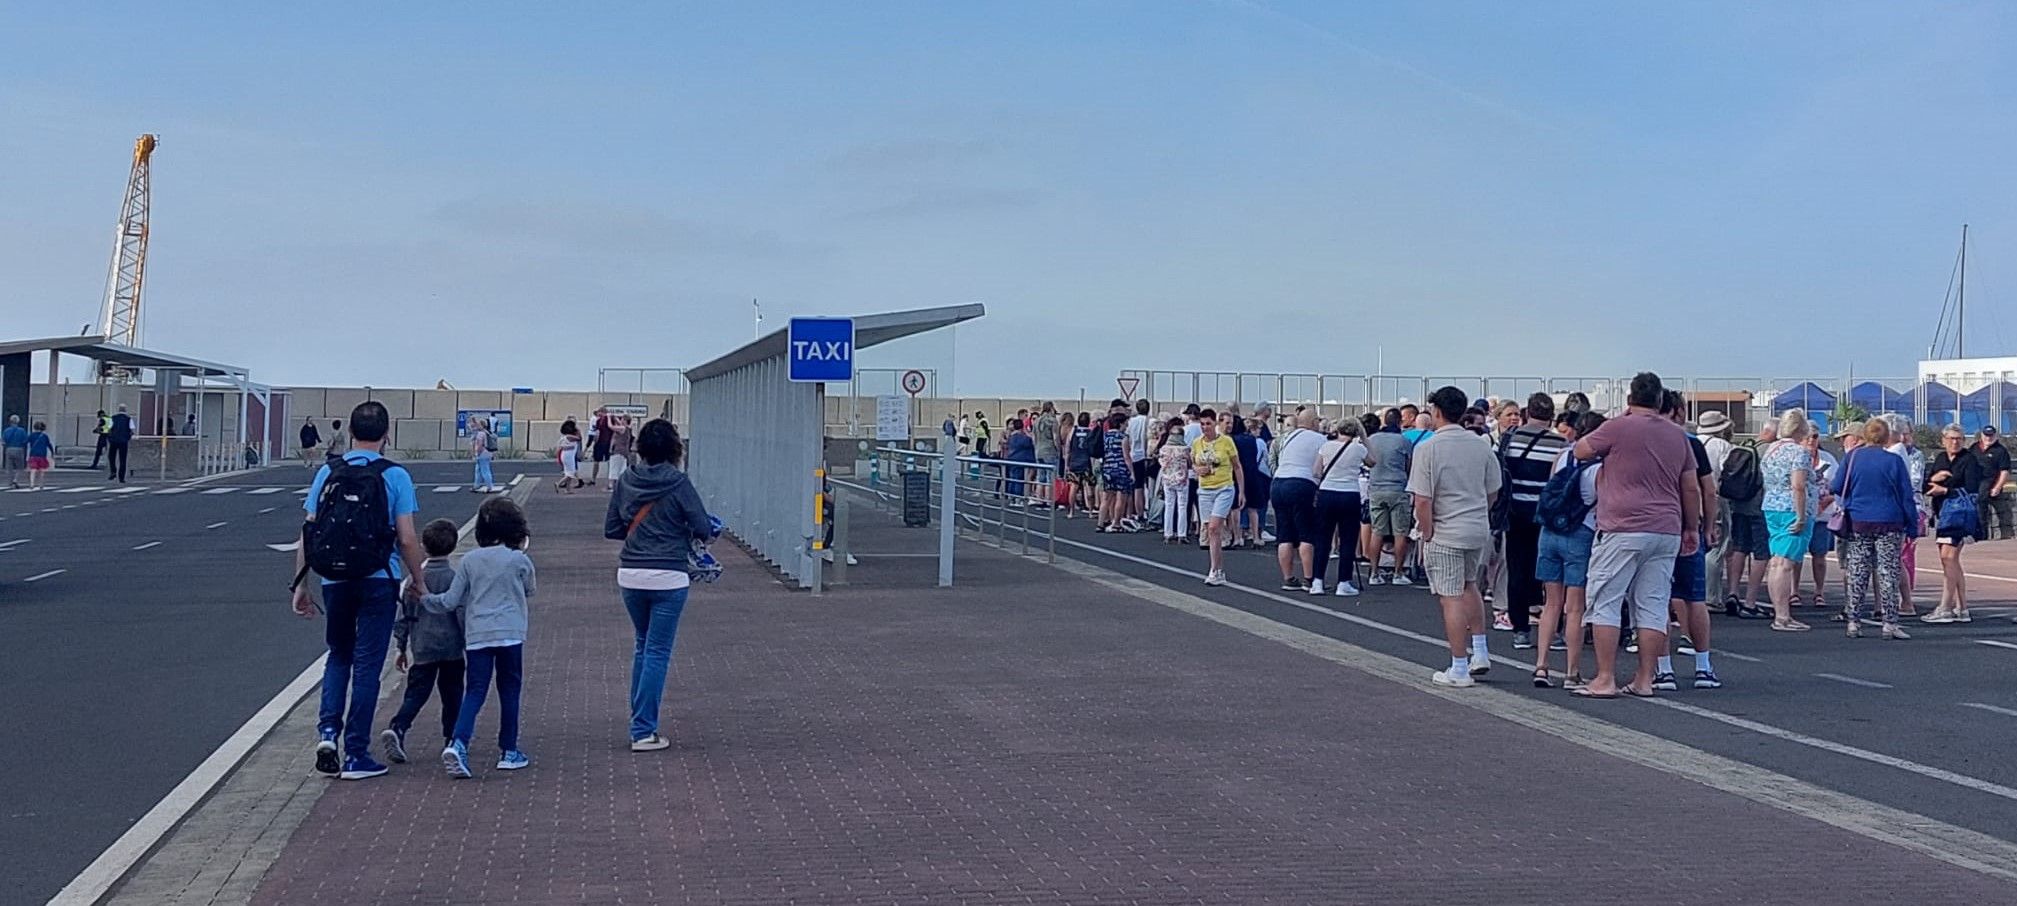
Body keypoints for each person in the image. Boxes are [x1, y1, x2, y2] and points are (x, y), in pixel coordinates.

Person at [291, 401, 426, 781]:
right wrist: (418, 580)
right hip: (378, 577)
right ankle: (356, 754)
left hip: (334, 580)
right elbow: (407, 538)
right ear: (387, 435)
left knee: (338, 655)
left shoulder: (328, 472)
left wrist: (300, 583)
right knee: (368, 665)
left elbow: (308, 531)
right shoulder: (395, 475)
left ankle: (328, 733)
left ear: (350, 432)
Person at [1571, 372, 1701, 699]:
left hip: (1621, 527)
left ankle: (1604, 678)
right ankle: (1645, 678)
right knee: (1653, 605)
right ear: (1660, 401)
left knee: (1605, 601)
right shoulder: (1678, 436)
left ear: (1630, 398)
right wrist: (1691, 527)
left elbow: (1580, 451)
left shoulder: (1618, 427)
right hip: (1666, 527)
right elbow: (1690, 486)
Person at [606, 418, 715, 752]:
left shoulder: (627, 479)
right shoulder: (678, 482)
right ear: (674, 449)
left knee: (643, 645)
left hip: (631, 573)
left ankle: (640, 724)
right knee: (657, 650)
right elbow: (702, 526)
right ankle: (642, 730)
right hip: (668, 574)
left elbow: (612, 528)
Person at [417, 496, 536, 777]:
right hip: (510, 632)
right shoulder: (519, 560)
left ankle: (458, 743)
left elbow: (449, 601)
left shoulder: (470, 561)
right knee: (510, 689)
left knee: (475, 690)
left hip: (478, 634)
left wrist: (424, 597)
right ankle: (509, 750)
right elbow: (530, 590)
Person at [1411, 386, 1502, 688]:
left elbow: (1422, 500)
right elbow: (1493, 490)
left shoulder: (1428, 448)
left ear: (1436, 411)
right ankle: (1480, 651)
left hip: (1446, 529)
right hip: (1476, 526)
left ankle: (1459, 666)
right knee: (1469, 585)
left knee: (1449, 597)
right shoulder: (1481, 444)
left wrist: (1427, 531)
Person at [380, 518, 467, 763]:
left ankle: (399, 726)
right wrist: (467, 639)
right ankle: (452, 738)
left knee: (417, 692)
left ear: (423, 546)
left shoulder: (415, 580)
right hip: (452, 647)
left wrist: (400, 646)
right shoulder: (456, 578)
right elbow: (461, 611)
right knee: (453, 694)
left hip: (422, 646)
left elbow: (405, 615)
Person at [1533, 411, 1603, 689]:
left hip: (1550, 531)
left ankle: (1541, 665)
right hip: (1581, 533)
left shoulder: (1563, 455)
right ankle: (1572, 671)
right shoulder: (1600, 466)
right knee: (1575, 608)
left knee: (1551, 604)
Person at [1654, 391, 1719, 691]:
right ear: (1678, 411)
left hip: (1653, 525)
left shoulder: (1646, 442)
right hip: (1686, 525)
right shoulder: (1691, 443)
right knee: (1694, 597)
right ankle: (1703, 665)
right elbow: (1706, 489)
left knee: (1656, 599)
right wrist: (1706, 524)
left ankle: (1663, 667)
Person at [1833, 420, 1916, 640]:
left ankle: (1853, 621)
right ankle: (1889, 623)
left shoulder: (1853, 458)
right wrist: (1913, 524)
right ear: (1887, 436)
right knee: (1888, 572)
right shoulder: (1894, 461)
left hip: (1859, 520)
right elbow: (1906, 494)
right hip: (1890, 520)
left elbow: (1837, 486)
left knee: (1858, 571)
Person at [1498, 393, 1567, 650]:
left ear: (1528, 413)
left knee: (1517, 567)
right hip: (1547, 515)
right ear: (1551, 417)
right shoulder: (1561, 443)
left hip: (1515, 512)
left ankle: (1520, 629)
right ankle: (1555, 629)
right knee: (1551, 573)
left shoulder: (1510, 439)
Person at [1759, 411, 1815, 632]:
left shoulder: (1771, 450)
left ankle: (1779, 612)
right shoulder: (1799, 452)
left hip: (1771, 505)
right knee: (1785, 563)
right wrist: (1801, 515)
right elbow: (1798, 485)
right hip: (1791, 508)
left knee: (1776, 561)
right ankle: (1782, 616)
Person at [1923, 425, 1984, 624]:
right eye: (1950, 438)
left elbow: (1972, 489)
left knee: (1948, 557)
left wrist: (1945, 491)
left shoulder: (1969, 460)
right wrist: (1934, 479)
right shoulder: (1941, 459)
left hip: (1959, 515)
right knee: (1950, 560)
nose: (1954, 442)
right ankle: (1963, 607)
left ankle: (1945, 606)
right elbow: (1926, 485)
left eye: (1958, 438)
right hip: (1943, 514)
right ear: (1943, 440)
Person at [1311, 417, 1370, 597]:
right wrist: (1364, 438)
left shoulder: (1326, 446)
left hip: (1327, 493)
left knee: (1323, 538)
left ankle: (1317, 581)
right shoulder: (1359, 449)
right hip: (1349, 494)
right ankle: (1343, 582)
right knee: (1348, 539)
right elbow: (1373, 461)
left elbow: (1316, 471)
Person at [1269, 410, 1327, 591]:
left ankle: (1288, 578)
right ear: (1312, 422)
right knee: (1306, 533)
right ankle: (1309, 578)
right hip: (1302, 483)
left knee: (1284, 533)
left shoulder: (1287, 437)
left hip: (1278, 483)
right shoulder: (1319, 439)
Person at [1723, 422, 1773, 618]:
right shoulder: (1769, 451)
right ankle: (1750, 601)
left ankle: (1733, 592)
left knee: (1739, 548)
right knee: (1761, 554)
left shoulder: (1744, 445)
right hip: (1759, 506)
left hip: (1739, 504)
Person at [1190, 408, 1243, 586]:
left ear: (1215, 424)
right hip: (1204, 489)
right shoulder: (1197, 443)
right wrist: (1198, 470)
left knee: (1214, 527)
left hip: (1224, 488)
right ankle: (1218, 567)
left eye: (1209, 424)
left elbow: (1237, 466)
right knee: (1211, 531)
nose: (1205, 428)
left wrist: (1241, 490)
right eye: (1202, 424)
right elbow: (1193, 464)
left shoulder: (1226, 442)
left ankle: (1214, 569)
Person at [1364, 409, 1415, 587]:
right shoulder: (1404, 441)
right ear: (1400, 422)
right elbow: (1409, 467)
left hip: (1377, 489)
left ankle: (1374, 572)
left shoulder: (1372, 440)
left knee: (1377, 531)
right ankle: (1398, 572)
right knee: (1400, 533)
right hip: (1397, 488)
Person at [1882, 414, 1927, 615]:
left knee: (1900, 556)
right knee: (1896, 557)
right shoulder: (1893, 451)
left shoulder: (1899, 453)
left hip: (1907, 510)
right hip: (1900, 509)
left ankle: (1905, 599)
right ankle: (1900, 599)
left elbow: (1912, 483)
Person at [1696, 411, 1736, 605]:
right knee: (1716, 546)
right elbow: (1727, 473)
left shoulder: (1692, 442)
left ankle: (1695, 593)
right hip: (1715, 497)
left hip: (1691, 496)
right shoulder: (1722, 446)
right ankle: (1711, 596)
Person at [1799, 427, 1840, 611]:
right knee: (1796, 555)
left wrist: (1824, 503)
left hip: (1822, 515)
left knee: (1819, 554)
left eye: (1814, 436)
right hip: (1800, 512)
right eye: (1807, 436)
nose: (1810, 440)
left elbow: (1837, 485)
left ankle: (1819, 591)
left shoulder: (1828, 459)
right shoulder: (1797, 456)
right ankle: (1793, 591)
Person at [1228, 416, 1267, 548]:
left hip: (1237, 475)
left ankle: (1237, 538)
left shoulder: (1231, 440)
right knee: (1253, 508)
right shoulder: (1251, 439)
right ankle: (1256, 537)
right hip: (1253, 474)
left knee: (1236, 508)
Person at [1156, 417, 1193, 544]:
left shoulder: (1164, 449)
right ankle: (1181, 534)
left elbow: (1160, 462)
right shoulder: (1185, 449)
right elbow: (1190, 463)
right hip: (1182, 479)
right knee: (1182, 506)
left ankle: (1168, 533)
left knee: (1169, 505)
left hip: (1167, 479)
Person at [1098, 413, 1136, 532]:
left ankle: (1100, 523)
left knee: (1106, 498)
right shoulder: (1123, 437)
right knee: (1121, 497)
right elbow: (1126, 457)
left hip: (1107, 468)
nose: (1126, 426)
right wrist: (1132, 473)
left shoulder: (1105, 436)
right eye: (1125, 423)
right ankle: (1116, 523)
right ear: (1120, 424)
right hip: (1120, 469)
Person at [1974, 426, 2013, 540]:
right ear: (1982, 435)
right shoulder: (1974, 448)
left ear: (1995, 436)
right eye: (1986, 435)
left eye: (1991, 435)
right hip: (1976, 485)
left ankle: (2004, 537)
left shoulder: (2001, 451)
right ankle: (1979, 536)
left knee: (2004, 516)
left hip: (1991, 485)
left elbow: (2004, 471)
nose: (1988, 438)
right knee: (1978, 513)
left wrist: (1997, 487)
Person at [1126, 399, 1153, 524]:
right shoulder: (1152, 421)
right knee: (1151, 486)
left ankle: (1139, 513)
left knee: (1138, 486)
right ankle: (1151, 511)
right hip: (1149, 456)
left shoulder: (1131, 422)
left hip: (1134, 455)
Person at [1065, 412, 1095, 518]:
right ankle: (1091, 511)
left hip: (1074, 461)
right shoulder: (1091, 432)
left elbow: (1068, 448)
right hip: (1087, 463)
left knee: (1073, 487)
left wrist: (1067, 463)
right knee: (1089, 488)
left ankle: (1071, 511)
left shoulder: (1073, 431)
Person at [1003, 417, 1036, 505]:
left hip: (1012, 459)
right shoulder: (1024, 438)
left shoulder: (1011, 437)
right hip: (1021, 460)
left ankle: (1012, 497)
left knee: (1013, 478)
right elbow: (1032, 442)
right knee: (1019, 479)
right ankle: (1018, 498)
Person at [1034, 402, 1062, 504]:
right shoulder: (1052, 421)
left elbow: (1034, 437)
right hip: (1049, 450)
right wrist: (1058, 449)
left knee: (1040, 476)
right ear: (1051, 408)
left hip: (1038, 450)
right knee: (1051, 477)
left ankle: (1039, 499)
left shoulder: (1037, 421)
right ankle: (1049, 499)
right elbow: (1055, 437)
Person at [106, 405, 135, 482]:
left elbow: (109, 429)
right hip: (123, 441)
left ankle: (113, 471)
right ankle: (121, 477)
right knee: (123, 460)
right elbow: (132, 431)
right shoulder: (128, 419)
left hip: (114, 441)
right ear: (125, 410)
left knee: (111, 457)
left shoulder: (113, 418)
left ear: (118, 410)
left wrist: (110, 438)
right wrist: (128, 437)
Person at [470, 417, 498, 493]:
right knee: (478, 470)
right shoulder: (487, 432)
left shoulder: (480, 434)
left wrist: (477, 454)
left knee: (484, 470)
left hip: (482, 454)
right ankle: (476, 485)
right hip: (488, 453)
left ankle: (489, 487)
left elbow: (479, 445)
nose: (477, 426)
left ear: (481, 425)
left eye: (478, 424)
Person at [586, 407, 613, 486]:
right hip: (603, 443)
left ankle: (606, 480)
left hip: (605, 443)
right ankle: (595, 479)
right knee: (599, 461)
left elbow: (597, 432)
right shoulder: (599, 421)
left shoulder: (607, 420)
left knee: (603, 461)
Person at [556, 418, 583, 493]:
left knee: (569, 472)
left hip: (567, 455)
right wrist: (578, 430)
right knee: (571, 473)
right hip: (569, 456)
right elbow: (579, 438)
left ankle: (568, 489)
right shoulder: (569, 436)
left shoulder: (565, 436)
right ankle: (558, 484)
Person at [25, 421, 53, 491]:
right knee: (41, 470)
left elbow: (25, 442)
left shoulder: (31, 435)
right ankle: (41, 484)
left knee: (33, 470)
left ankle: (32, 484)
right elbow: (49, 445)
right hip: (42, 455)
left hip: (33, 455)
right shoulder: (45, 436)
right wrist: (52, 452)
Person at [609, 415, 634, 485]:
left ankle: (611, 485)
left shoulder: (622, 428)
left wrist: (608, 418)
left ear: (625, 421)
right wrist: (615, 418)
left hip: (618, 451)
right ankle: (620, 484)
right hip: (624, 452)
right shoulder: (628, 428)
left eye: (622, 419)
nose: (621, 420)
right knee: (621, 469)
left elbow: (610, 426)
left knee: (614, 468)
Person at [2, 416, 25, 490]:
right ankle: (16, 480)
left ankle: (10, 482)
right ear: (18, 422)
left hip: (9, 449)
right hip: (18, 449)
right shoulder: (22, 430)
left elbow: (3, 442)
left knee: (9, 467)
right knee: (20, 467)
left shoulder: (6, 430)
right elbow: (25, 441)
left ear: (10, 421)